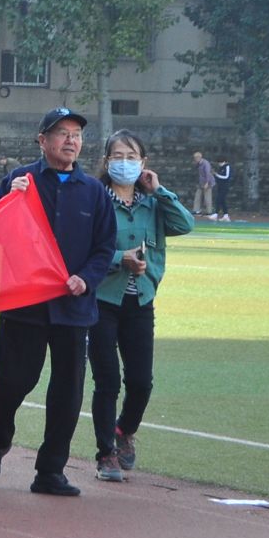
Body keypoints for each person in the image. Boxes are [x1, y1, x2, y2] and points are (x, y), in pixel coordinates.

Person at [0, 107, 118, 498]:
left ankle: (50, 470)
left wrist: (86, 278)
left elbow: (105, 246)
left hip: (73, 308)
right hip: (25, 304)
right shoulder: (19, 181)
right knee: (12, 382)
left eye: (77, 134)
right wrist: (10, 199)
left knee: (67, 393)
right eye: (62, 133)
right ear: (42, 140)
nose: (71, 141)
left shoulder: (94, 192)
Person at [89, 131, 194, 482]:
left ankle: (124, 430)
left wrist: (159, 190)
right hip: (103, 300)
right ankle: (106, 453)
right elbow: (83, 250)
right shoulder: (96, 201)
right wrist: (120, 258)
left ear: (143, 162)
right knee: (107, 381)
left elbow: (185, 224)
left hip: (140, 300)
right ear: (107, 161)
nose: (124, 163)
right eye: (118, 156)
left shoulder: (153, 203)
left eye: (131, 156)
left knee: (141, 382)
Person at [191, 150, 216, 218]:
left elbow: (208, 174)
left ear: (199, 157)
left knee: (207, 197)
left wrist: (207, 183)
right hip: (201, 182)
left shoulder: (206, 163)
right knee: (197, 196)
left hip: (208, 182)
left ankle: (209, 211)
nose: (195, 159)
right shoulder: (198, 164)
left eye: (195, 158)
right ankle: (196, 210)